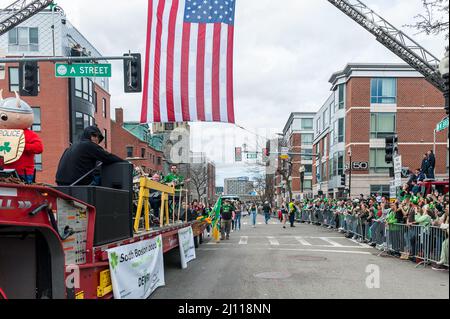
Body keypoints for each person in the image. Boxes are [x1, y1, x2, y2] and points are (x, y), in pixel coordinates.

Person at [56, 126, 124, 186]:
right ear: (87, 135)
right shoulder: (89, 145)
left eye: (99, 137)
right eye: (94, 135)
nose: (96, 138)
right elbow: (108, 157)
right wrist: (125, 162)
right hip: (79, 183)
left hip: (61, 184)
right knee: (103, 178)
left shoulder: (71, 147)